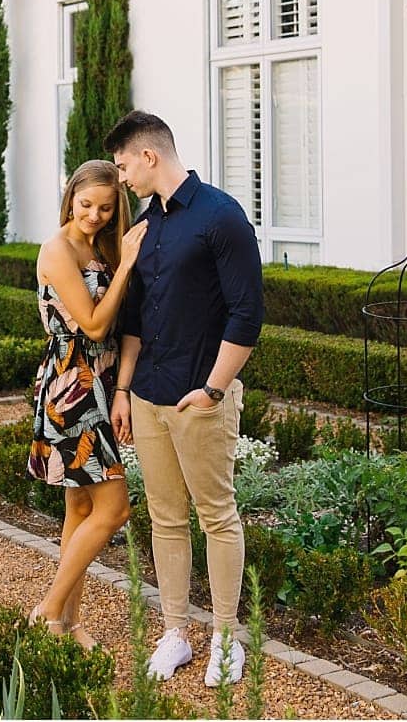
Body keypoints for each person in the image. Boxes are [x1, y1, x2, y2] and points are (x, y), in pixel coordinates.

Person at [104, 111, 263, 686]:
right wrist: (124, 392)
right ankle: (176, 633)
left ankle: (225, 638)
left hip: (200, 399)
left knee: (216, 515)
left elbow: (247, 313)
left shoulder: (221, 216)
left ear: (149, 156)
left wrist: (213, 389)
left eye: (125, 166)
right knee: (166, 518)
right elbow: (135, 320)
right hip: (148, 398)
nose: (123, 178)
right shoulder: (146, 226)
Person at [26, 159, 149, 651]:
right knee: (114, 509)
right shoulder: (57, 249)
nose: (94, 215)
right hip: (72, 385)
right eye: (86, 204)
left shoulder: (100, 247)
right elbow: (95, 326)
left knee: (79, 507)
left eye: (105, 208)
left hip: (100, 379)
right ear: (70, 198)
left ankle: (68, 622)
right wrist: (128, 265)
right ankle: (48, 609)